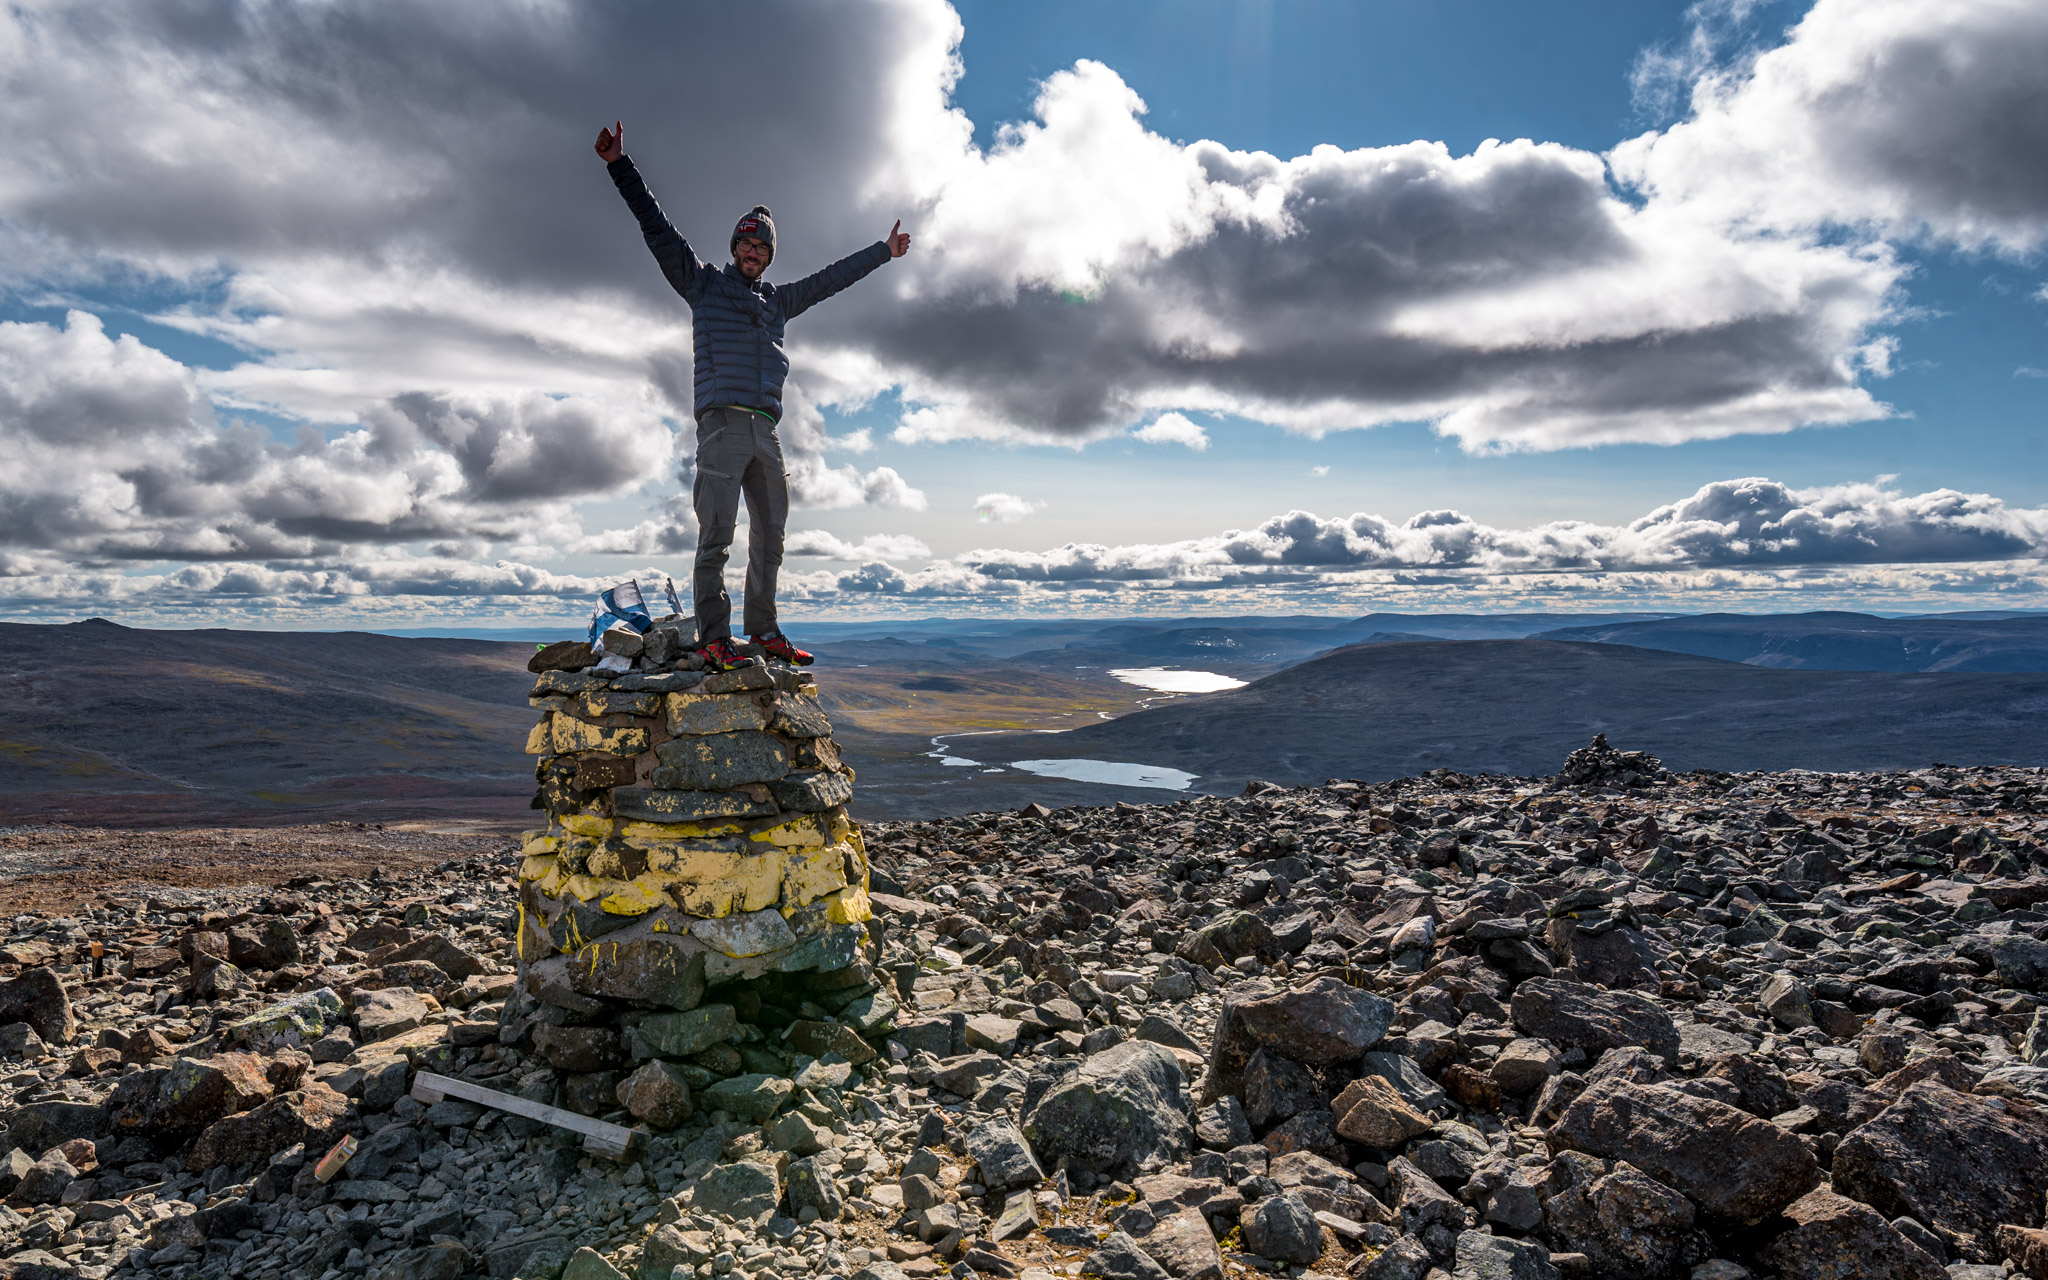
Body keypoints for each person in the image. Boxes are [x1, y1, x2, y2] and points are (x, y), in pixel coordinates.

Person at [594, 120, 910, 670]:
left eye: (761, 248)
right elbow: (658, 229)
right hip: (720, 426)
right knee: (716, 536)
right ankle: (716, 638)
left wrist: (883, 251)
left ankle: (763, 632)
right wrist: (620, 165)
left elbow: (831, 278)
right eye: (745, 244)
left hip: (766, 431)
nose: (752, 253)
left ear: (769, 257)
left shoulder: (778, 303)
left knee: (772, 536)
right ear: (734, 247)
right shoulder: (702, 284)